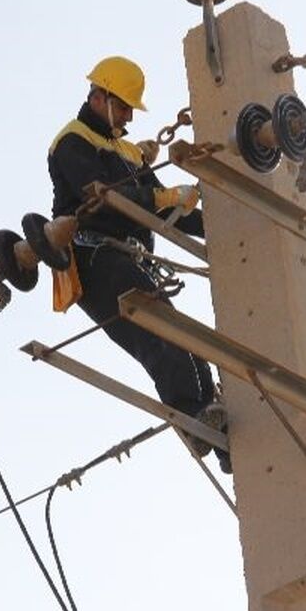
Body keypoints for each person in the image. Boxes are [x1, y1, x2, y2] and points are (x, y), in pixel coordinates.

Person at [46, 56, 230, 474]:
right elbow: (105, 195)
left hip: (128, 258)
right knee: (157, 337)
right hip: (93, 257)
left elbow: (165, 209)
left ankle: (223, 438)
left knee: (187, 342)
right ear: (99, 96)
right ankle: (195, 417)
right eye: (124, 106)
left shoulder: (128, 151)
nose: (128, 115)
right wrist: (164, 199)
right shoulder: (71, 142)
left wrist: (219, 224)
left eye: (130, 108)